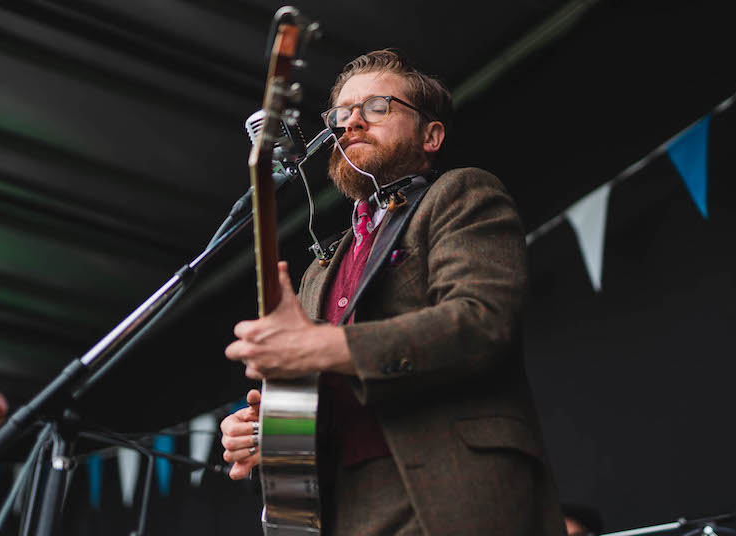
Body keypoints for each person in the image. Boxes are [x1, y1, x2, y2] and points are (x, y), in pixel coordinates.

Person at [221, 49, 564, 535]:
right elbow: (316, 397)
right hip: (339, 508)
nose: (352, 123)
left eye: (378, 107)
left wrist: (326, 345)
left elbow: (481, 322)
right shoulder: (321, 267)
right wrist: (269, 434)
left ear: (432, 135)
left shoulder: (461, 193)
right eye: (341, 114)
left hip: (451, 492)